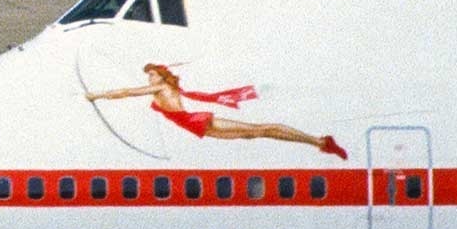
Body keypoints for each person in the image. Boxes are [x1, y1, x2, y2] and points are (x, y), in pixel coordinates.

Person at [86, 63, 346, 159]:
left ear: (160, 76)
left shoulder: (161, 87)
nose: (150, 79)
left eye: (152, 74)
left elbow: (127, 93)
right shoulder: (162, 87)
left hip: (197, 122)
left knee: (261, 129)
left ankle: (319, 141)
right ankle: (318, 142)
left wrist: (97, 94)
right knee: (252, 135)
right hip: (195, 127)